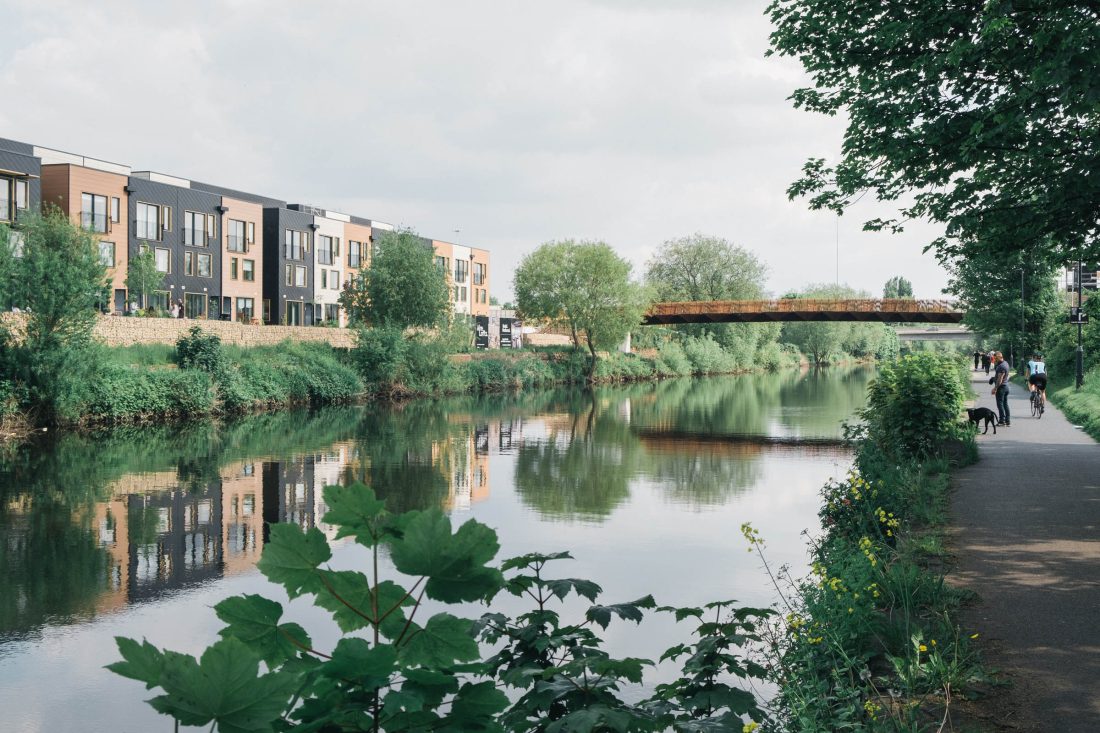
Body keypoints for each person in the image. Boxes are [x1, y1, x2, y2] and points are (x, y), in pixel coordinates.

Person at [992, 351, 1011, 426]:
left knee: (1000, 404)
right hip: (1006, 387)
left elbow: (1000, 379)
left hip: (1001, 388)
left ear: (999, 357)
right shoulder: (1005, 363)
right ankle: (1007, 421)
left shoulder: (1001, 366)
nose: (995, 360)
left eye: (996, 358)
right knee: (1005, 404)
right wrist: (993, 379)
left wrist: (995, 388)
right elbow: (998, 377)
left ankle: (1002, 421)